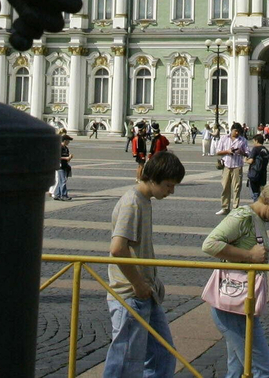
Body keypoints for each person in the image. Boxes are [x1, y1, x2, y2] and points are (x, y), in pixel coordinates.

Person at [202, 179, 269, 378]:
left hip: (237, 303)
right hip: (233, 304)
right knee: (263, 370)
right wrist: (250, 256)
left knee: (237, 368)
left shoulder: (255, 219)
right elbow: (209, 244)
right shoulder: (243, 217)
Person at [104, 151, 187, 378]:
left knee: (163, 354)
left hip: (145, 292)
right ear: (153, 179)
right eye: (169, 185)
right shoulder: (132, 203)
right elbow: (118, 248)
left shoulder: (144, 200)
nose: (171, 191)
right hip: (130, 294)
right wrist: (138, 284)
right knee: (124, 363)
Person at [215, 124, 250, 216]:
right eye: (235, 131)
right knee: (225, 187)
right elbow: (218, 152)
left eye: (239, 132)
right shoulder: (223, 138)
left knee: (236, 188)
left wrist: (241, 152)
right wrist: (228, 151)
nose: (237, 133)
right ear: (231, 130)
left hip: (237, 166)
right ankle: (225, 207)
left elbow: (247, 153)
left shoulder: (243, 140)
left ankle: (235, 207)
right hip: (226, 165)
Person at [247, 134, 269, 201]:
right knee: (261, 193)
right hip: (263, 174)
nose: (253, 143)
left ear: (256, 141)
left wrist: (245, 160)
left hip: (254, 174)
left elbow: (251, 161)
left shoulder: (255, 149)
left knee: (255, 194)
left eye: (253, 141)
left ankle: (257, 208)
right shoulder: (266, 150)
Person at [52, 133, 73, 201]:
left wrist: (69, 158)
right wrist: (66, 158)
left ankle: (57, 194)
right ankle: (64, 195)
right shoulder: (59, 147)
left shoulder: (66, 148)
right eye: (68, 141)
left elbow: (66, 158)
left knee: (61, 181)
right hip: (59, 166)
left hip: (65, 166)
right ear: (64, 141)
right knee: (63, 181)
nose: (69, 142)